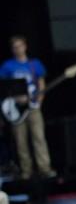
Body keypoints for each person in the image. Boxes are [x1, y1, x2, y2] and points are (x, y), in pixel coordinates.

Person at [0, 36, 55, 179]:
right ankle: (26, 171)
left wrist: (39, 101)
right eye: (15, 47)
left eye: (20, 46)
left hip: (33, 106)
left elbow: (41, 84)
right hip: (16, 108)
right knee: (20, 140)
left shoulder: (34, 64)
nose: (18, 49)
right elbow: (4, 87)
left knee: (39, 137)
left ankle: (44, 168)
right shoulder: (7, 66)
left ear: (25, 46)